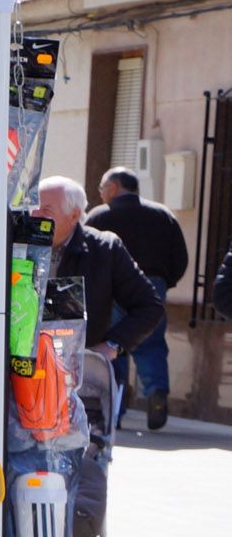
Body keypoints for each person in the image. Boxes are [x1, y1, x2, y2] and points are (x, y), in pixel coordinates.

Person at [34, 176, 164, 381]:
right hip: (21, 370)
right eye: (34, 207)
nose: (35, 215)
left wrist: (112, 345)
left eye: (46, 210)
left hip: (76, 377)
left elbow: (149, 306)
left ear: (74, 215)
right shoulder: (15, 246)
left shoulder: (104, 249)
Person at [87, 166, 189, 429]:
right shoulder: (163, 215)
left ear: (112, 188)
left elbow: (83, 250)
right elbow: (180, 257)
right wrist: (165, 282)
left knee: (113, 346)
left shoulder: (100, 216)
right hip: (153, 286)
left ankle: (115, 411)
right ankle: (156, 393)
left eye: (101, 189)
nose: (100, 195)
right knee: (151, 344)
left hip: (110, 288)